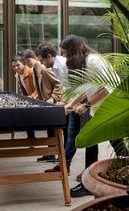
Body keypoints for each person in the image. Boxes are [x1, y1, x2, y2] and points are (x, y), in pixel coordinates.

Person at [55, 34, 111, 197]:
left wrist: (85, 105)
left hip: (110, 108)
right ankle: (88, 183)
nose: (64, 57)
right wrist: (69, 105)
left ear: (73, 51)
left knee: (115, 144)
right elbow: (84, 89)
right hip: (99, 108)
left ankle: (90, 183)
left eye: (65, 53)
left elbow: (106, 88)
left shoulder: (93, 61)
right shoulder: (85, 63)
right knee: (91, 142)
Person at [22, 48, 65, 162]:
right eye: (26, 62)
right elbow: (41, 88)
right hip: (45, 104)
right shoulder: (35, 70)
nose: (28, 64)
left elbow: (59, 84)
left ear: (35, 58)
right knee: (50, 130)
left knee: (56, 131)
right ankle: (50, 154)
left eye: (29, 61)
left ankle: (59, 156)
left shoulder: (44, 69)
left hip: (53, 104)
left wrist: (53, 98)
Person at [11, 55, 37, 139]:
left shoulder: (31, 72)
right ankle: (31, 138)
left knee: (27, 116)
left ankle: (31, 138)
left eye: (18, 65)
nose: (16, 67)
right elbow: (24, 91)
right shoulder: (17, 75)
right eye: (14, 66)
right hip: (29, 99)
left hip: (37, 98)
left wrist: (31, 96)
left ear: (23, 64)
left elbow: (39, 88)